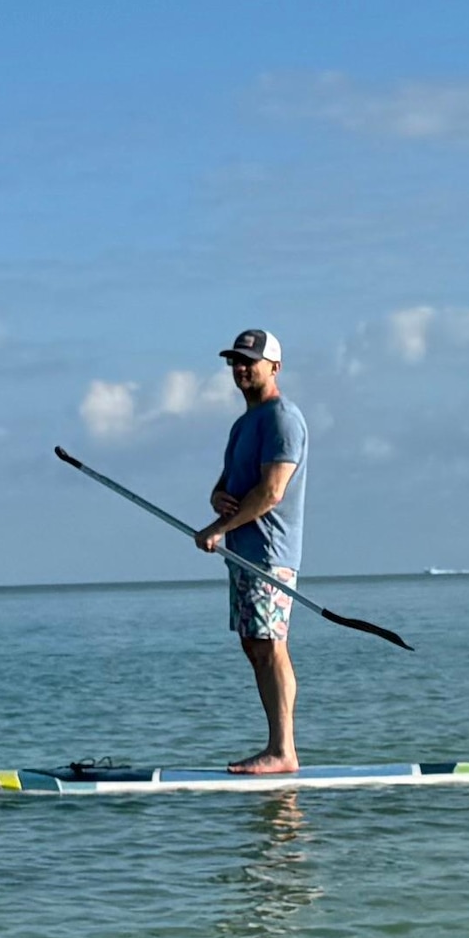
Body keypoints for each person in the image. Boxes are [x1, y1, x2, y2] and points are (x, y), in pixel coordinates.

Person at [186, 327, 310, 774]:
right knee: (254, 645)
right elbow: (228, 485)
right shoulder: (243, 424)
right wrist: (217, 500)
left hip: (269, 553)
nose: (240, 368)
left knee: (271, 645)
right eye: (234, 362)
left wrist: (217, 527)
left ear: (273, 367)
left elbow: (272, 491)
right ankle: (277, 747)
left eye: (248, 362)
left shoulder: (283, 419)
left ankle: (283, 750)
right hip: (242, 551)